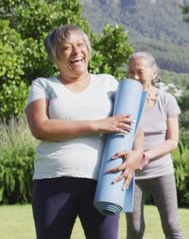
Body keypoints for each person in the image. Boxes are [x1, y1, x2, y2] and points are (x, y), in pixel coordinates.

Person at [25, 25, 144, 239]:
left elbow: (133, 125)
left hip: (104, 181)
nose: (76, 51)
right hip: (53, 180)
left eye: (80, 45)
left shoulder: (107, 83)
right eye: (66, 48)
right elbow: (40, 127)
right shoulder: (43, 85)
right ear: (55, 57)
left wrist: (138, 153)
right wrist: (96, 125)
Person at [125, 51, 184, 239]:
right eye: (130, 72)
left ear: (153, 74)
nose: (134, 77)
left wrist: (146, 155)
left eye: (139, 72)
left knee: (172, 226)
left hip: (161, 172)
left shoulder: (166, 100)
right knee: (134, 229)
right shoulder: (124, 101)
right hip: (132, 175)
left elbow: (173, 141)